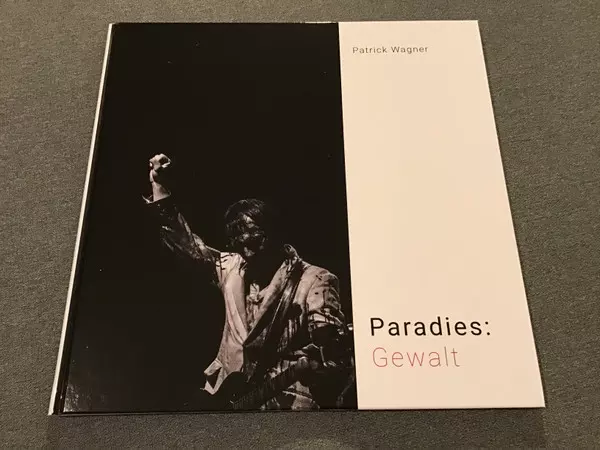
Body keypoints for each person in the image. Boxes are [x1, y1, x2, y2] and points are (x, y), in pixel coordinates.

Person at [145, 153, 354, 410]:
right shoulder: (232, 267)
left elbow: (333, 355)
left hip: (284, 403)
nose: (247, 251)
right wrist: (159, 187)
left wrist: (323, 365)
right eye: (238, 243)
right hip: (228, 399)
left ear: (275, 234)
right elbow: (188, 246)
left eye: (255, 240)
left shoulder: (315, 280)